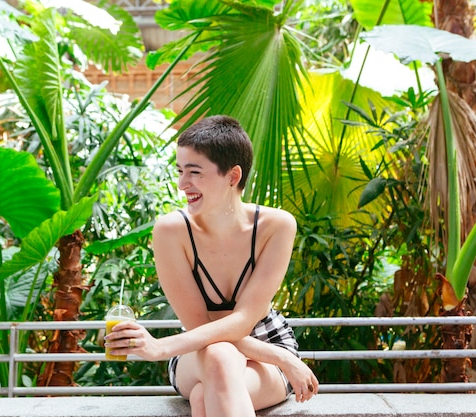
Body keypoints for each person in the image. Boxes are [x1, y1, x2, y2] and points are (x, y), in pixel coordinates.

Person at [104, 115, 318, 416]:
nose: (182, 184)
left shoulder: (277, 226)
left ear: (232, 176)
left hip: (267, 346)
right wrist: (283, 360)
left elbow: (244, 320)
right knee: (219, 355)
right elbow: (201, 329)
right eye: (180, 171)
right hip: (198, 352)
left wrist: (161, 347)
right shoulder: (171, 231)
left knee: (206, 398)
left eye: (194, 172)